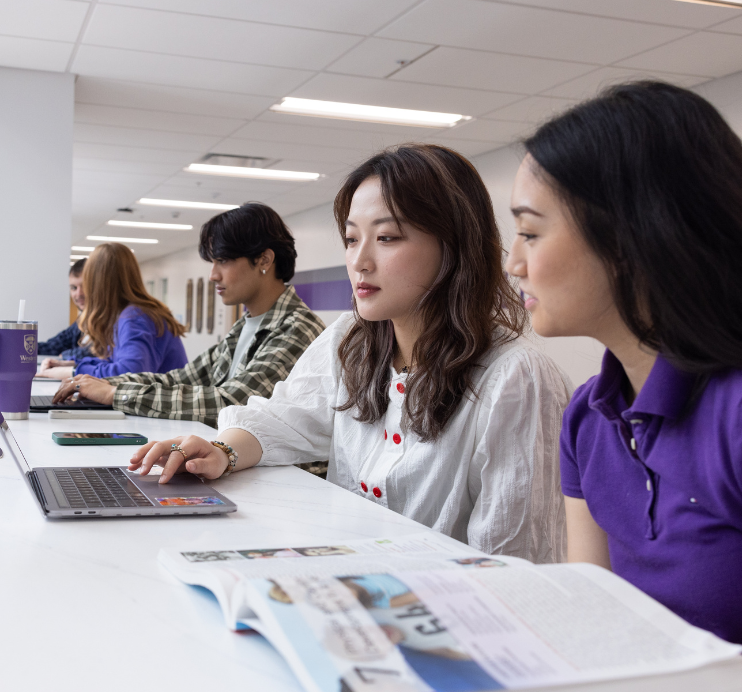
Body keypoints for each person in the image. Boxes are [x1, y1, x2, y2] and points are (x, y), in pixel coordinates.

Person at [130, 144, 573, 563]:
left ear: (454, 248)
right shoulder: (351, 340)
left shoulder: (515, 379)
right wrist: (220, 451)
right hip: (338, 577)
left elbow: (514, 564)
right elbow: (284, 419)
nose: (360, 261)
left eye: (387, 238)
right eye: (350, 239)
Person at [504, 81, 742, 643]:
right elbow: (594, 620)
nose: (513, 263)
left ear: (631, 239)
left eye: (529, 232)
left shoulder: (732, 414)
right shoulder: (588, 418)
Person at [50, 203, 326, 429]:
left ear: (264, 260)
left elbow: (232, 403)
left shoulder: (297, 328)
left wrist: (115, 393)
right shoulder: (244, 326)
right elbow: (181, 378)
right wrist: (101, 383)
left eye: (224, 261)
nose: (213, 275)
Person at [38, 243, 188, 380]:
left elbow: (130, 373)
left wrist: (73, 372)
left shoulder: (135, 317)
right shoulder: (130, 314)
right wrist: (72, 365)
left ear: (97, 283)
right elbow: (112, 362)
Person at [38, 258, 92, 361]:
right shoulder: (81, 322)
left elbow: (96, 351)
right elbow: (53, 346)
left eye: (84, 286)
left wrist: (66, 355)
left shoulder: (111, 320)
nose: (78, 294)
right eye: (73, 288)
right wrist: (21, 347)